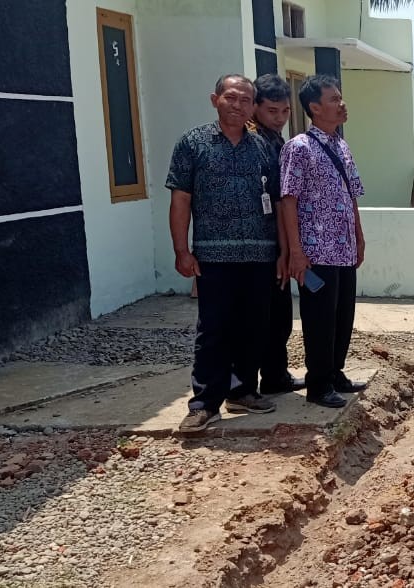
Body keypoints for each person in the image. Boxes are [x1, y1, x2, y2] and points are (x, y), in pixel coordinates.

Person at [167, 74, 280, 433]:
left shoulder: (262, 147)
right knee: (213, 329)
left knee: (254, 327)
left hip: (260, 255)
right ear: (214, 99)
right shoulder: (193, 143)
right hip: (213, 257)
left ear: (253, 107)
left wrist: (282, 251)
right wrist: (182, 250)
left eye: (246, 100)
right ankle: (204, 403)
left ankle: (243, 389)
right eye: (231, 97)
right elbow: (180, 199)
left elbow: (277, 202)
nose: (238, 104)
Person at [280, 74, 368, 409]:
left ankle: (335, 372)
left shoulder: (341, 146)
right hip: (317, 253)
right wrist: (296, 252)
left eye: (341, 98)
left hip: (343, 249)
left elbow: (352, 194)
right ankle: (318, 384)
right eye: (334, 99)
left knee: (343, 314)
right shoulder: (299, 148)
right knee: (319, 319)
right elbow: (288, 198)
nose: (342, 104)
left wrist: (358, 236)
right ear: (315, 107)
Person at [247, 73, 306, 395]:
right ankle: (245, 384)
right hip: (256, 244)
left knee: (280, 316)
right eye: (272, 111)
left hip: (276, 242)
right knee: (257, 319)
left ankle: (275, 376)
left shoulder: (276, 140)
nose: (280, 118)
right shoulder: (249, 141)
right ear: (256, 107)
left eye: (284, 111)